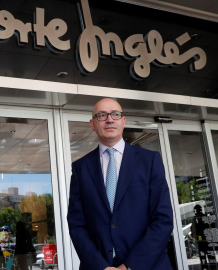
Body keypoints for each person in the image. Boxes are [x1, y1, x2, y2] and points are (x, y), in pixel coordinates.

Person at [67, 98, 174, 270]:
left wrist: (130, 266)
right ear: (92, 124)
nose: (109, 119)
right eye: (102, 115)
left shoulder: (149, 160)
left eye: (115, 114)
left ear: (123, 121)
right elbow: (76, 224)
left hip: (147, 265)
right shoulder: (80, 168)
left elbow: (163, 219)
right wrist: (101, 266)